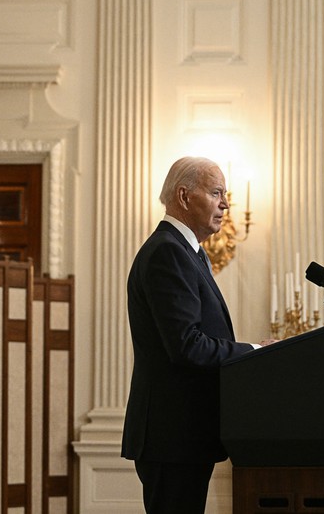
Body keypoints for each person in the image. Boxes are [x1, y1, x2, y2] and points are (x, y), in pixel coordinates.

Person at [122, 156, 273, 514]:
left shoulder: (187, 252)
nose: (225, 204)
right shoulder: (168, 252)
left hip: (183, 435)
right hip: (172, 436)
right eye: (217, 192)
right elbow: (186, 346)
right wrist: (252, 351)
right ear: (185, 196)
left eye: (226, 194)